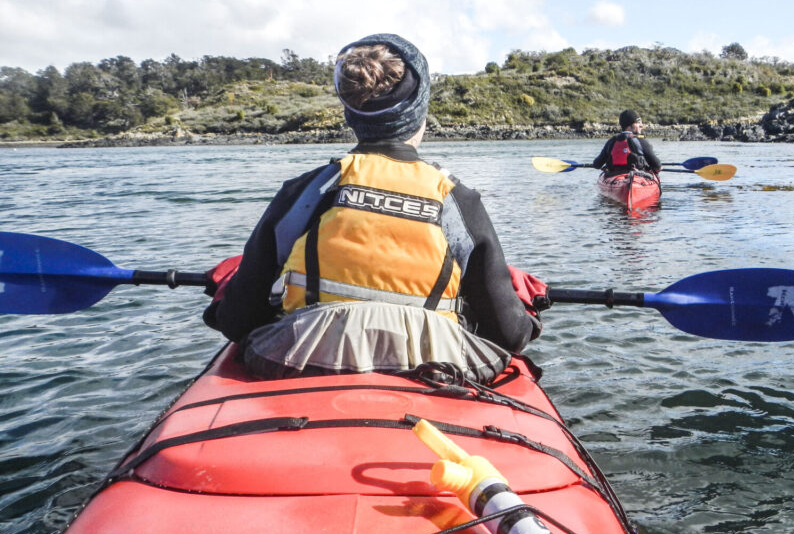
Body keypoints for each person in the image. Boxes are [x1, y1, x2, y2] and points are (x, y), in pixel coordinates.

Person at [203, 33, 541, 381]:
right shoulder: (457, 201)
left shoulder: (304, 193)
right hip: (433, 371)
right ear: (420, 114)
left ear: (351, 115)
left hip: (306, 365)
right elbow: (508, 334)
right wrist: (526, 313)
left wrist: (229, 290)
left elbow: (237, 320)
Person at [591, 109, 661, 175]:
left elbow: (597, 164)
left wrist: (606, 168)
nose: (641, 125)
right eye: (637, 123)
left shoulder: (611, 141)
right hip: (638, 178)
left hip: (614, 176)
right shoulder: (641, 141)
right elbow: (657, 165)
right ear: (629, 125)